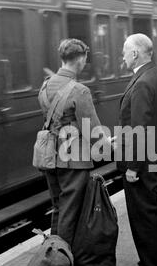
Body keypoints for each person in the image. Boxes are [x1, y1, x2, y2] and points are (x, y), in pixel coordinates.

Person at [38, 38, 112, 245]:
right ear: (81, 59)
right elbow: (94, 131)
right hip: (73, 160)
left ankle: (52, 258)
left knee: (59, 209)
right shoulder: (80, 91)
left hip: (50, 157)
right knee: (71, 214)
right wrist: (109, 147)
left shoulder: (45, 87)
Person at [117, 33, 157, 266]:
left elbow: (139, 127)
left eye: (124, 51)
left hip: (142, 157)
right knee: (154, 208)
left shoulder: (141, 81)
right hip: (153, 151)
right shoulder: (153, 74)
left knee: (144, 213)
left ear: (135, 53)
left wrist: (132, 167)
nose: (122, 55)